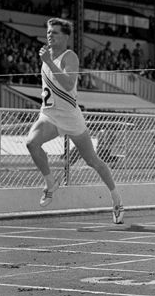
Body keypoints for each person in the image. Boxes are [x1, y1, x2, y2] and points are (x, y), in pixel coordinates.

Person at [24, 18, 124, 224]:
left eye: (55, 33)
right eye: (49, 32)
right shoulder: (46, 55)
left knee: (92, 160)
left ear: (66, 37)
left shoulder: (70, 57)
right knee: (31, 143)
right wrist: (47, 61)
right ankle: (50, 184)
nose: (50, 35)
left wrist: (49, 62)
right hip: (50, 115)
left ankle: (116, 199)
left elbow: (69, 84)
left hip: (71, 117)